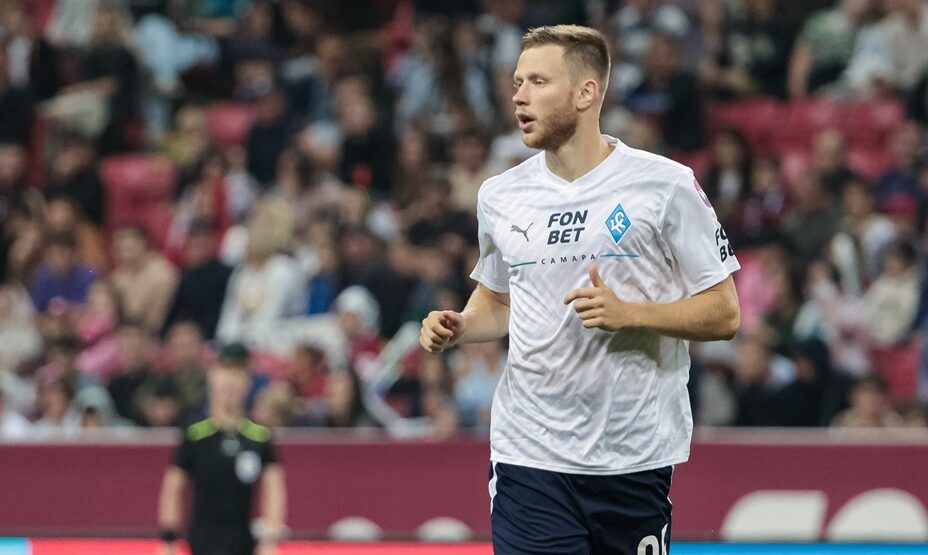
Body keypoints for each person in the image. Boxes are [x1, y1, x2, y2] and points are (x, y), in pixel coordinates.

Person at [419, 25, 741, 555]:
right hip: (529, 455)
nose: (519, 96)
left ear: (586, 93)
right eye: (517, 82)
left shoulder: (665, 185)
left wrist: (632, 314)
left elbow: (724, 312)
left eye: (538, 81)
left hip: (633, 456)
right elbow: (498, 300)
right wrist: (461, 325)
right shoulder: (500, 194)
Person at [158, 356, 286, 555]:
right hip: (202, 539)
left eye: (234, 388)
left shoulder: (259, 436)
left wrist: (271, 537)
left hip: (243, 539)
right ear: (212, 389)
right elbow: (173, 486)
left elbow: (274, 486)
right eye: (223, 388)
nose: (228, 395)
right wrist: (169, 538)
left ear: (245, 388)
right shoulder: (195, 434)